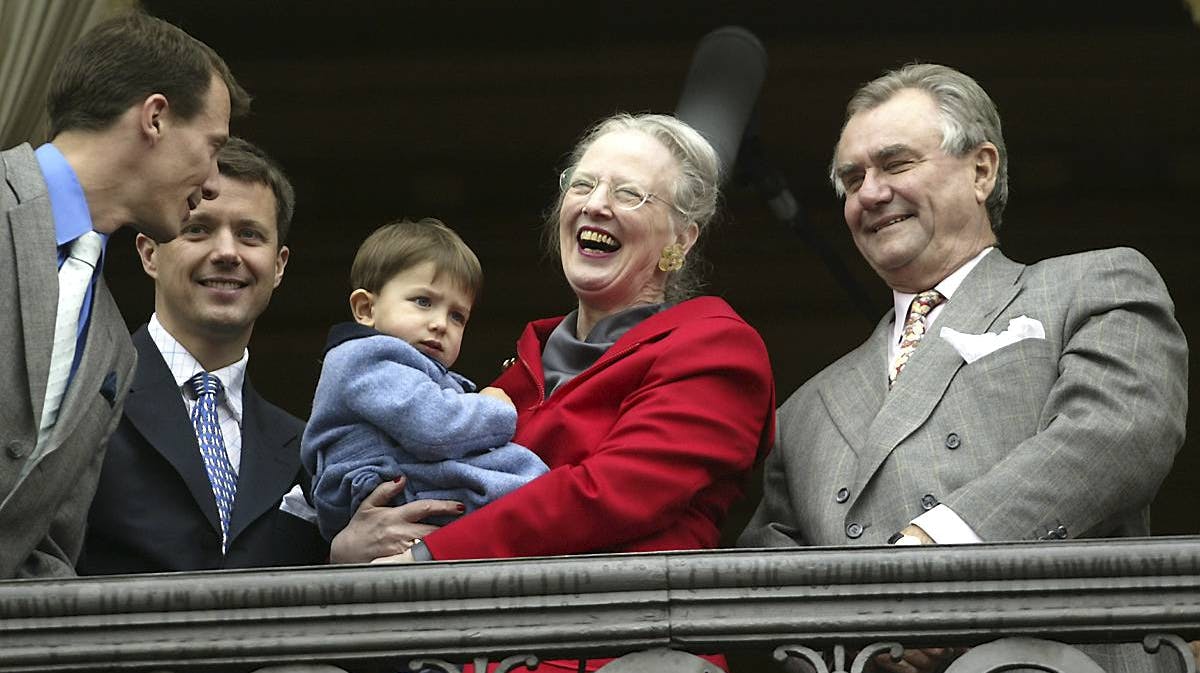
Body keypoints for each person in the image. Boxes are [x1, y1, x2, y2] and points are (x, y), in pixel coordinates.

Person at [739, 63, 1188, 673]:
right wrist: (866, 644)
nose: (869, 193)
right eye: (852, 179)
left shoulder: (1092, 283)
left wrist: (936, 556)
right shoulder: (805, 408)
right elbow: (761, 593)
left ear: (982, 170)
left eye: (896, 164)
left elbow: (1116, 435)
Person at [344, 112, 775, 672]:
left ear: (681, 239)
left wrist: (429, 557)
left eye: (630, 193)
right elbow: (429, 486)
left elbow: (610, 493)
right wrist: (354, 543)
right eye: (583, 184)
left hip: (625, 656)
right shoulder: (517, 370)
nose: (597, 204)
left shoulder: (715, 346)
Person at [0, 11, 248, 579]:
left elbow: (47, 550)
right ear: (156, 117)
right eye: (212, 147)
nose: (213, 182)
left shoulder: (115, 346)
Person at [77, 137, 328, 573]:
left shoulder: (309, 446)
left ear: (279, 265)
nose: (227, 252)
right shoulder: (82, 393)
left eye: (250, 235)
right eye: (199, 229)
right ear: (149, 253)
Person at [302, 218, 550, 542]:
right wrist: (494, 408)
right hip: (381, 480)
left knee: (519, 474)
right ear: (365, 309)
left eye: (457, 316)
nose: (440, 324)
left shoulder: (404, 365)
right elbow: (435, 430)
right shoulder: (364, 358)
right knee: (523, 484)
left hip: (405, 474)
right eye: (423, 302)